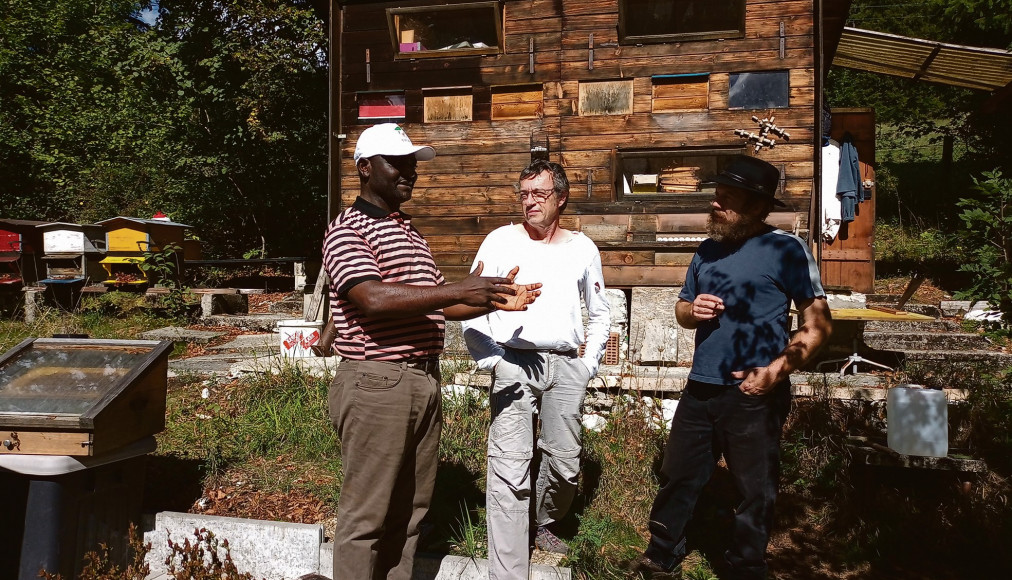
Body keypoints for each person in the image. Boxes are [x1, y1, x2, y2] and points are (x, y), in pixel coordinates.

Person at [324, 123, 542, 580]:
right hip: (377, 379)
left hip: (422, 378)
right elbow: (372, 297)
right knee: (366, 517)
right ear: (365, 168)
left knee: (409, 512)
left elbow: (438, 300)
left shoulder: (407, 231)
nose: (409, 172)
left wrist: (491, 297)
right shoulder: (348, 229)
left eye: (412, 164)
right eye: (396, 163)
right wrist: (458, 289)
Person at [631, 155, 832, 580]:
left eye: (728, 199)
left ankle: (746, 566)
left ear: (758, 207)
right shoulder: (707, 250)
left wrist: (773, 374)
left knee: (754, 490)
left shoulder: (786, 249)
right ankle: (662, 553)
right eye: (716, 197)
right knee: (678, 475)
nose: (716, 205)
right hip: (700, 386)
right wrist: (692, 309)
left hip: (754, 393)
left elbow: (817, 324)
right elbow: (682, 310)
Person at [461, 160, 611, 580]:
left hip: (565, 365)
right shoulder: (499, 241)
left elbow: (601, 313)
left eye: (539, 194)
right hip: (513, 361)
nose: (530, 202)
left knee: (565, 462)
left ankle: (540, 520)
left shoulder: (583, 248)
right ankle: (508, 572)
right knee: (510, 465)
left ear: (560, 198)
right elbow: (470, 306)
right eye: (524, 194)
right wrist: (493, 359)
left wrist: (587, 365)